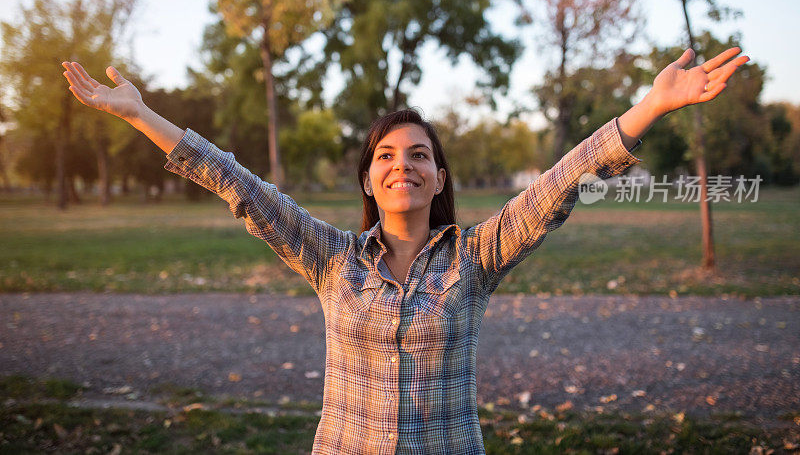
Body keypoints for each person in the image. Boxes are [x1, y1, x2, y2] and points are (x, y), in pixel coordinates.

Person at [61, 47, 748, 454]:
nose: (403, 165)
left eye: (419, 155)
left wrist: (650, 107)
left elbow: (561, 184)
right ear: (368, 177)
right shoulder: (332, 259)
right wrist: (137, 113)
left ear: (439, 177)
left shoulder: (475, 258)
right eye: (387, 155)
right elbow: (236, 183)